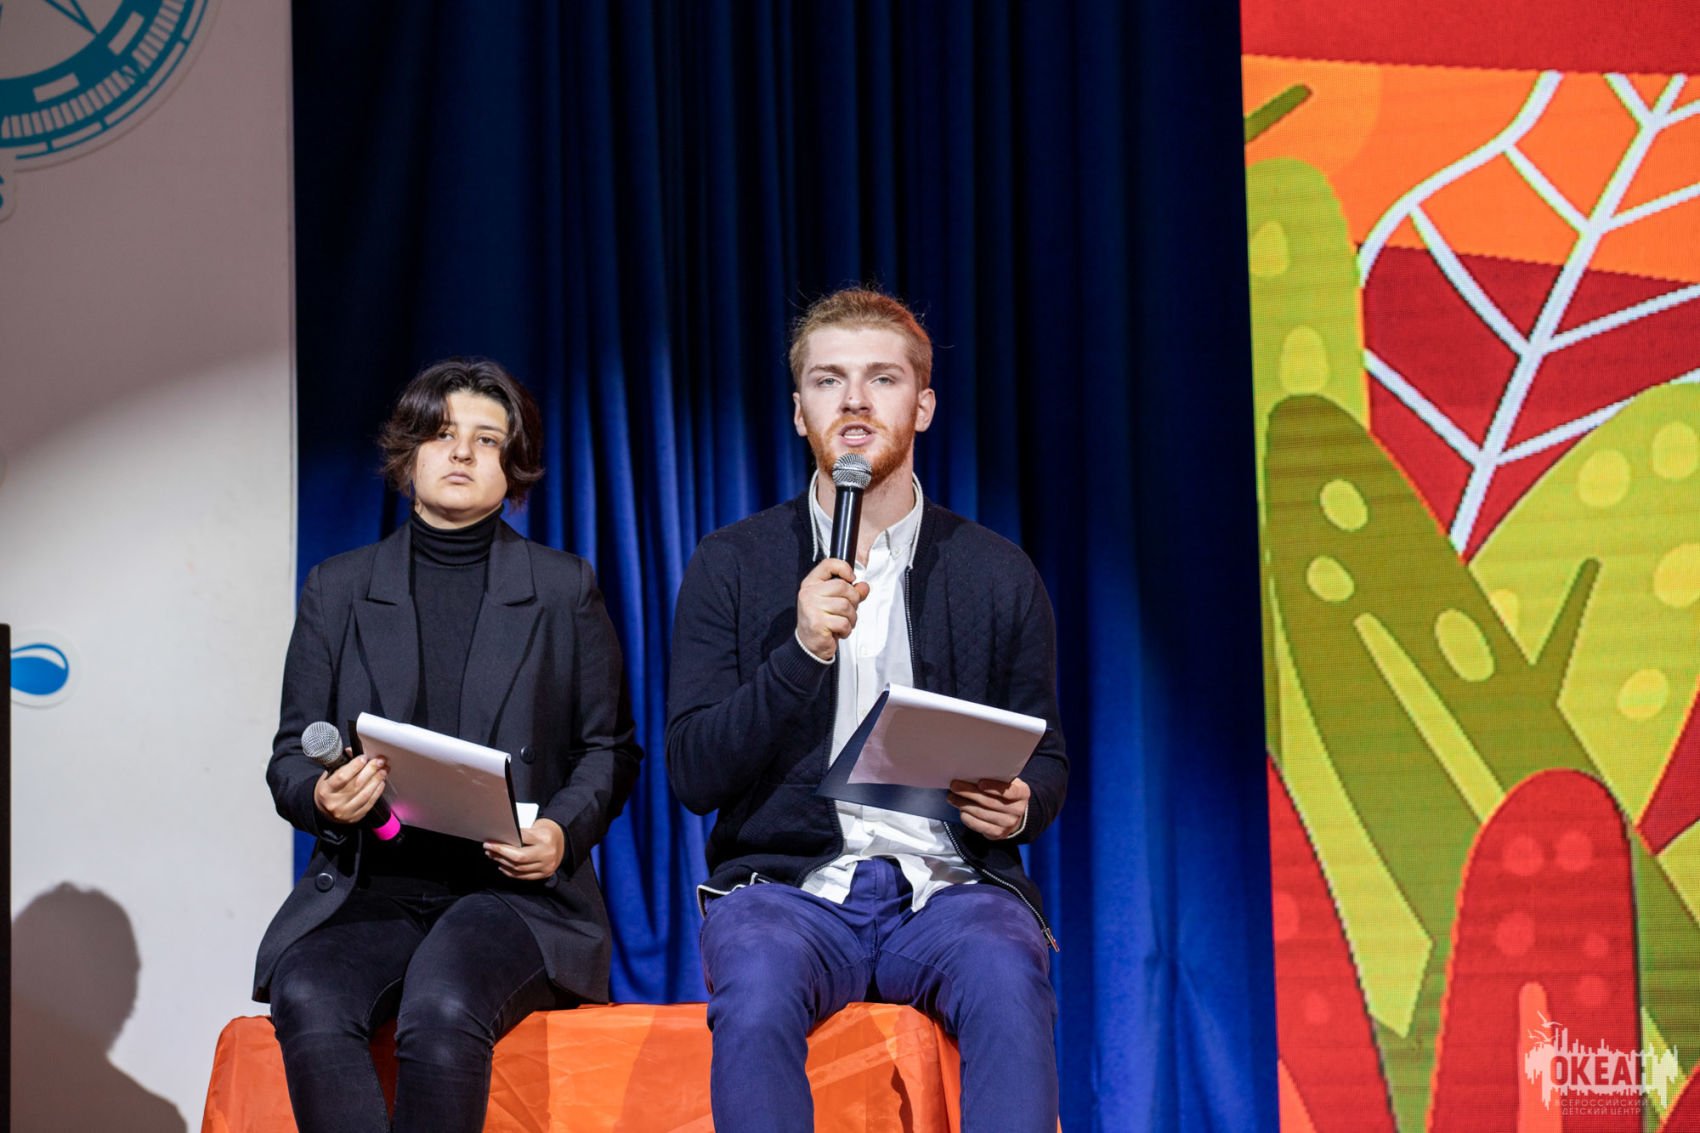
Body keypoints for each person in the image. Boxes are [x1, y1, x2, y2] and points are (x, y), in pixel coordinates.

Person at [666, 288, 1067, 1131]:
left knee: (1007, 966)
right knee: (755, 978)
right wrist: (801, 651)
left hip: (951, 889)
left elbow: (1047, 758)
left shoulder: (997, 572)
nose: (854, 401)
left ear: (922, 406)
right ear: (799, 411)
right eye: (828, 380)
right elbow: (695, 771)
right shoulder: (731, 564)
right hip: (788, 892)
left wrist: (1022, 802)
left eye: (882, 379)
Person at [252, 358, 642, 1133]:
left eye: (486, 439)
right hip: (373, 886)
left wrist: (560, 832)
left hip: (513, 896)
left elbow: (609, 749)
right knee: (309, 992)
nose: (462, 451)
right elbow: (291, 756)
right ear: (408, 453)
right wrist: (324, 796)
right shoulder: (339, 587)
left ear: (513, 464)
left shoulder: (562, 587)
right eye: (440, 433)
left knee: (441, 1003)